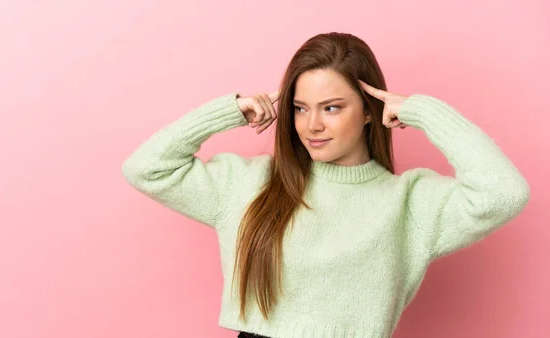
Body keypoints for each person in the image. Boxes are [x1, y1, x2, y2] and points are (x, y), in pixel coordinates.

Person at [121, 32, 530, 338]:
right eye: (300, 108)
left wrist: (424, 112)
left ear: (370, 111)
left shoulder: (409, 203)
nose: (312, 125)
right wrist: (227, 112)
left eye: (332, 108)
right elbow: (146, 168)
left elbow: (504, 192)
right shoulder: (247, 184)